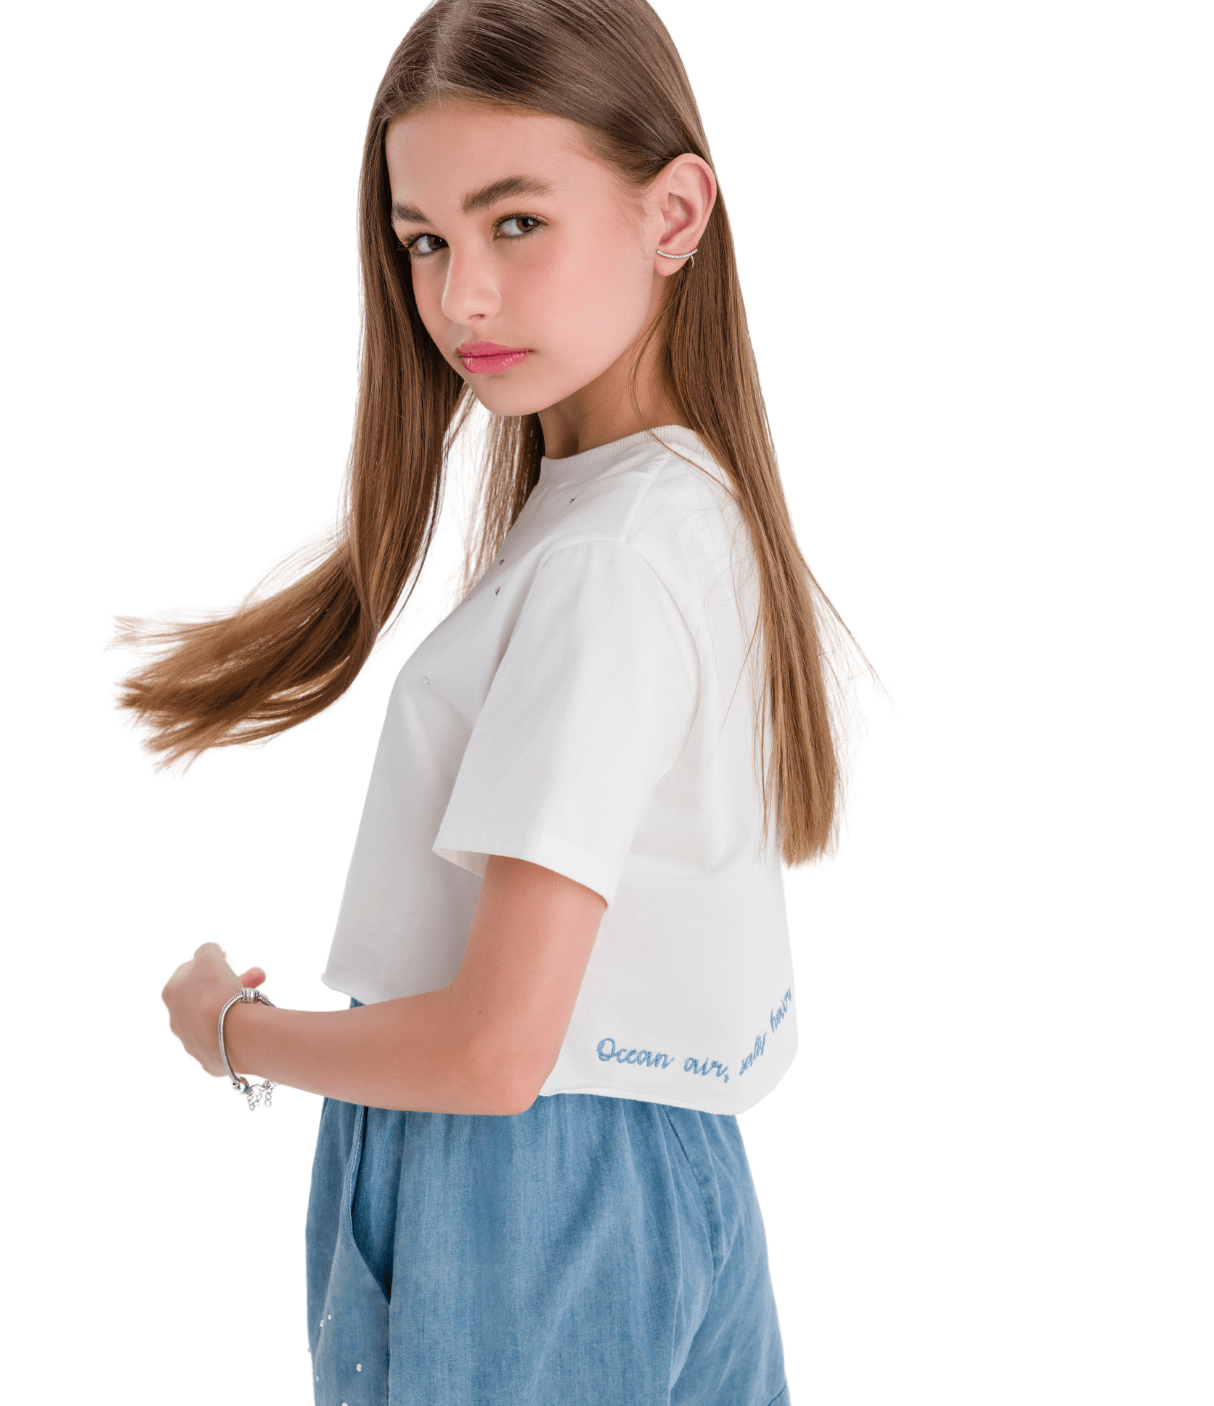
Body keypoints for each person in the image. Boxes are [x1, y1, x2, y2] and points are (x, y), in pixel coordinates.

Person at [121, 2, 846, 1402]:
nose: (460, 298)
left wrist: (227, 1030)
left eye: (517, 223)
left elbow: (495, 1050)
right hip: (663, 1154)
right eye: (423, 241)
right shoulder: (673, 506)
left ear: (674, 214)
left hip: (520, 1188)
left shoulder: (605, 562)